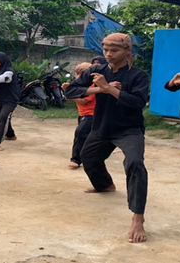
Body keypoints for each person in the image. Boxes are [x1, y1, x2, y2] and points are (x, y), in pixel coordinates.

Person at [64, 33, 150, 243]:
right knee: (88, 157)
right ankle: (105, 185)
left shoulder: (138, 75)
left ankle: (138, 216)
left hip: (129, 129)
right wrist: (99, 89)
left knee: (135, 163)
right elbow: (71, 90)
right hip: (102, 126)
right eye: (106, 50)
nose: (109, 54)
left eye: (115, 50)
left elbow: (138, 102)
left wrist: (109, 88)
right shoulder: (96, 71)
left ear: (127, 51)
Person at [62, 62, 96, 169]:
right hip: (83, 114)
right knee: (87, 136)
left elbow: (82, 101)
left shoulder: (93, 85)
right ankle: (89, 155)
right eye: (77, 71)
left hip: (91, 115)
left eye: (81, 72)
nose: (78, 75)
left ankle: (76, 159)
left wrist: (69, 92)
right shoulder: (79, 84)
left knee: (80, 133)